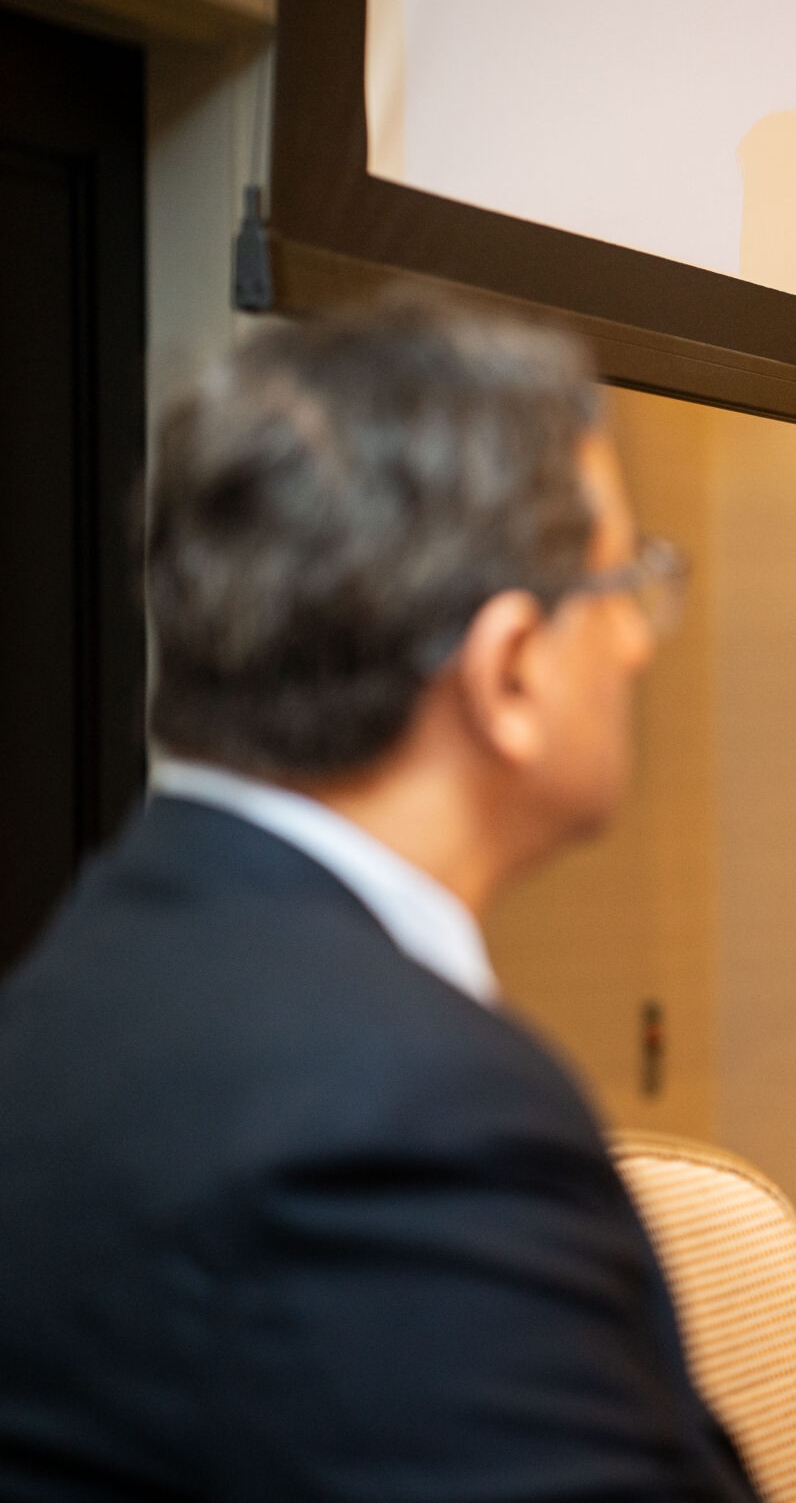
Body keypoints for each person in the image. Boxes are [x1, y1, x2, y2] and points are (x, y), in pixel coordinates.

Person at [0, 299, 757, 1501]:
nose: (639, 645)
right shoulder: (411, 1116)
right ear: (508, 670)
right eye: (623, 582)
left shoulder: (68, 988)